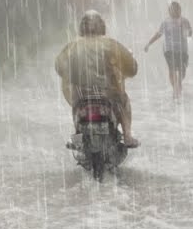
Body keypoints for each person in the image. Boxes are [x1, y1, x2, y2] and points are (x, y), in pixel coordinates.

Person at [55, 10, 139, 147]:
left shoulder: (72, 46)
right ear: (102, 26)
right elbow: (132, 68)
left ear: (82, 27)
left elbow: (59, 67)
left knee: (77, 105)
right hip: (107, 94)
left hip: (82, 96)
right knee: (123, 100)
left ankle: (77, 134)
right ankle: (128, 135)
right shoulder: (110, 44)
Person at [145, 1, 193, 101]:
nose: (175, 12)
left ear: (180, 10)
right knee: (172, 69)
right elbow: (158, 34)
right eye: (172, 10)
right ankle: (176, 89)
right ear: (169, 11)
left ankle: (178, 84)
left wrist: (188, 32)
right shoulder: (165, 22)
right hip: (169, 50)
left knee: (182, 71)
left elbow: (190, 33)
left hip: (182, 50)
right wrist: (149, 44)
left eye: (177, 10)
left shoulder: (185, 21)